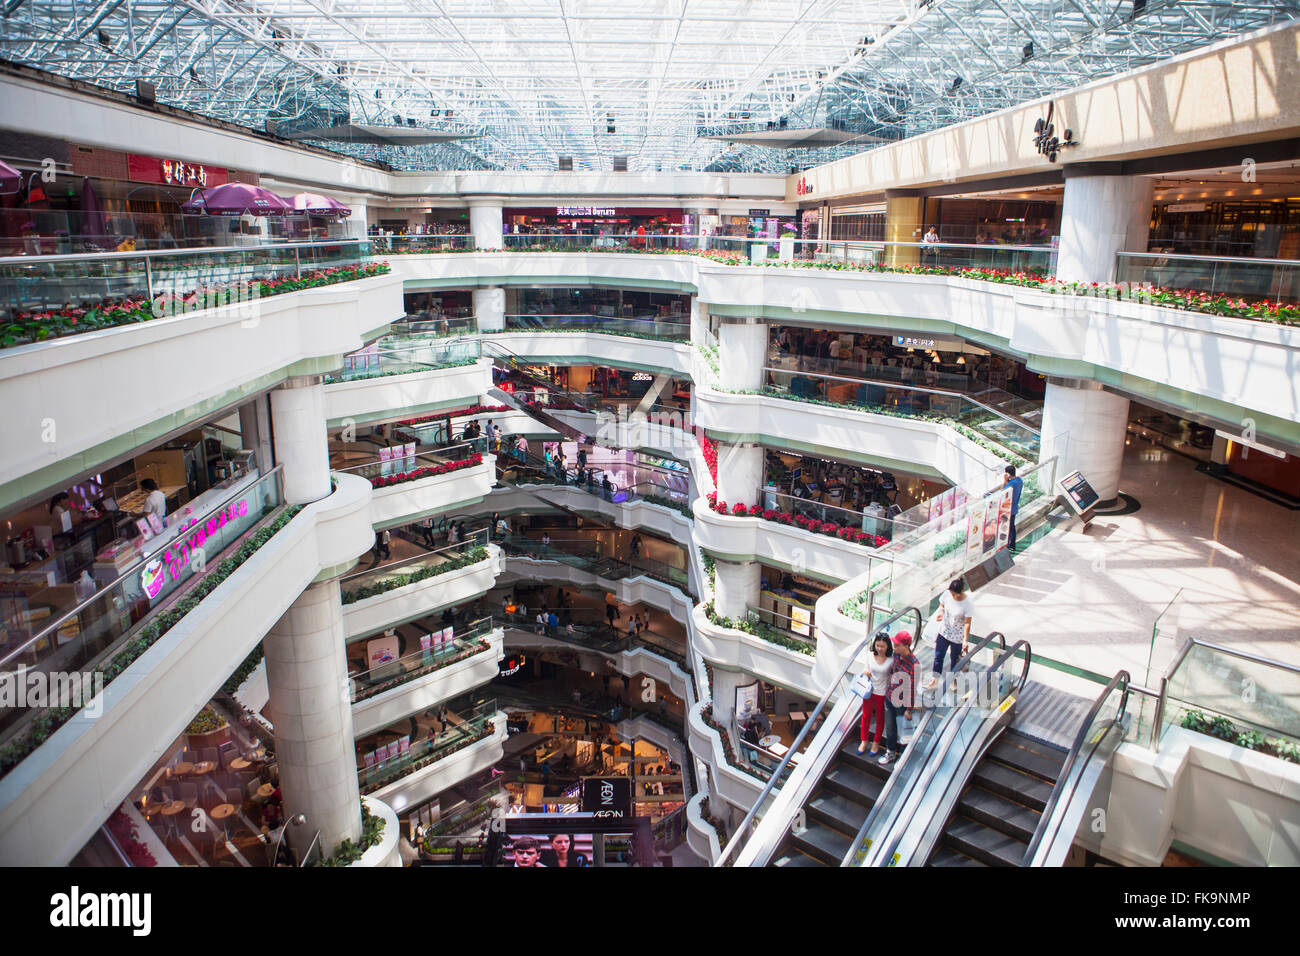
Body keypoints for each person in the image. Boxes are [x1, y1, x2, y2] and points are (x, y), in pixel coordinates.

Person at [926, 578, 974, 690]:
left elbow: (967, 623)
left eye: (954, 595)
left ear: (961, 591)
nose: (952, 596)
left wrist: (965, 641)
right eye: (951, 593)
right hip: (944, 632)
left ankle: (953, 680)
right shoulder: (947, 594)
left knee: (955, 660)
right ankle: (935, 680)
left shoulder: (967, 604)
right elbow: (941, 604)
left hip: (957, 637)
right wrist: (941, 612)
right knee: (938, 656)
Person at [880, 631, 917, 765]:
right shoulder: (896, 655)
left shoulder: (914, 665)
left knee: (904, 731)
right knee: (890, 728)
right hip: (890, 698)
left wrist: (909, 709)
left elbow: (913, 689)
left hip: (902, 703)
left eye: (897, 645)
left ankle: (903, 757)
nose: (894, 647)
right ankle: (890, 752)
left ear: (906, 646)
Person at [858, 631, 893, 756]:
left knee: (880, 718)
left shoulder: (891, 660)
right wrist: (866, 672)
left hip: (882, 692)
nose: (879, 648)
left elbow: (892, 676)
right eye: (878, 645)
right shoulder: (869, 655)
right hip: (869, 690)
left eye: (882, 646)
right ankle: (864, 740)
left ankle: (876, 742)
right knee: (866, 716)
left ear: (888, 646)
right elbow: (865, 668)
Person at [1002, 464, 1024, 552]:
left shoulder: (1011, 484)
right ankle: (1012, 544)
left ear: (1008, 474)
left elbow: (1003, 491)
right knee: (1011, 526)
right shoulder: (1019, 480)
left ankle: (1010, 544)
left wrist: (1005, 480)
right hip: (1014, 507)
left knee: (1009, 527)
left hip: (1009, 508)